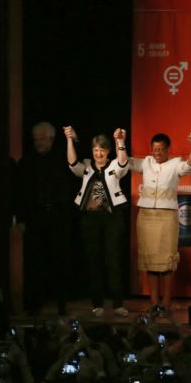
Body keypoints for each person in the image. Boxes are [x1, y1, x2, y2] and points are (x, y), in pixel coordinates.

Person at [131, 131, 191, 317]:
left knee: (167, 262)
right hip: (146, 216)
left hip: (167, 216)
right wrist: (119, 141)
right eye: (154, 149)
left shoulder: (175, 163)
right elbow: (124, 162)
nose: (157, 153)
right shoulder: (146, 162)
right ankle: (154, 303)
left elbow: (190, 165)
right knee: (151, 261)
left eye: (160, 149)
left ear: (168, 150)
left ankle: (166, 303)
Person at [65, 126, 129, 317]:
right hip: (90, 218)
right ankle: (98, 303)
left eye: (102, 150)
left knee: (113, 259)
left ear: (108, 151)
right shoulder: (86, 166)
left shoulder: (114, 166)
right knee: (94, 260)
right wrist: (70, 139)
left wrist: (120, 142)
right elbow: (72, 162)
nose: (98, 154)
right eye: (95, 151)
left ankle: (118, 303)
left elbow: (123, 162)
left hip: (112, 218)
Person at [17, 122, 75, 315]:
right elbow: (21, 194)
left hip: (58, 218)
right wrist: (22, 219)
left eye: (42, 138)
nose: (38, 142)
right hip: (35, 218)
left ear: (51, 139)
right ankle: (34, 303)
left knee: (60, 261)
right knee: (35, 261)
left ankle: (61, 304)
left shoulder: (61, 160)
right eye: (35, 139)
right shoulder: (26, 162)